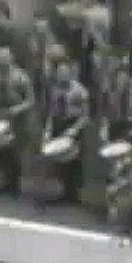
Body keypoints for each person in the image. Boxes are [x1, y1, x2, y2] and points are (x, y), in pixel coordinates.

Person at [0, 46, 35, 196]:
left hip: (18, 119)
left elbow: (30, 101)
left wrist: (16, 110)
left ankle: (15, 184)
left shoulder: (21, 77)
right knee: (2, 151)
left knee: (15, 152)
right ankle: (6, 180)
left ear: (11, 59)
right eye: (0, 58)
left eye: (4, 58)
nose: (2, 61)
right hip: (0, 116)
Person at [44, 59, 90, 203]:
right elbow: (51, 112)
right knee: (60, 162)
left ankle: (74, 194)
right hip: (59, 125)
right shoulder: (54, 89)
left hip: (74, 125)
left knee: (74, 163)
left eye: (64, 72)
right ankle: (65, 191)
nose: (61, 75)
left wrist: (74, 130)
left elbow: (85, 115)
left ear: (70, 73)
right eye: (59, 73)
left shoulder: (80, 91)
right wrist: (47, 129)